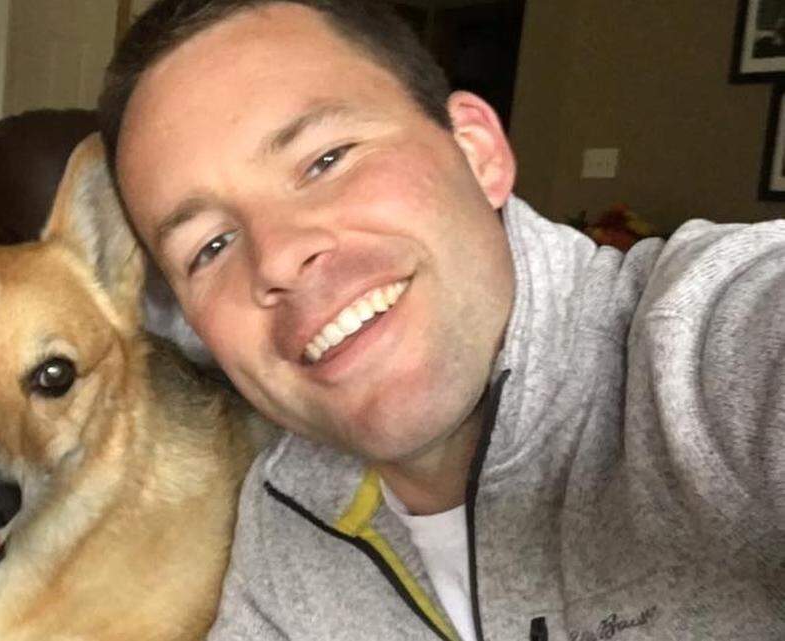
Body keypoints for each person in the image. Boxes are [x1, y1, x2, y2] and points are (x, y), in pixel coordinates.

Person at [97, 1, 785, 639]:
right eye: (210, 246)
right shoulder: (284, 522)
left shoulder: (709, 344)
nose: (276, 256)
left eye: (326, 160)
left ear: (477, 151)